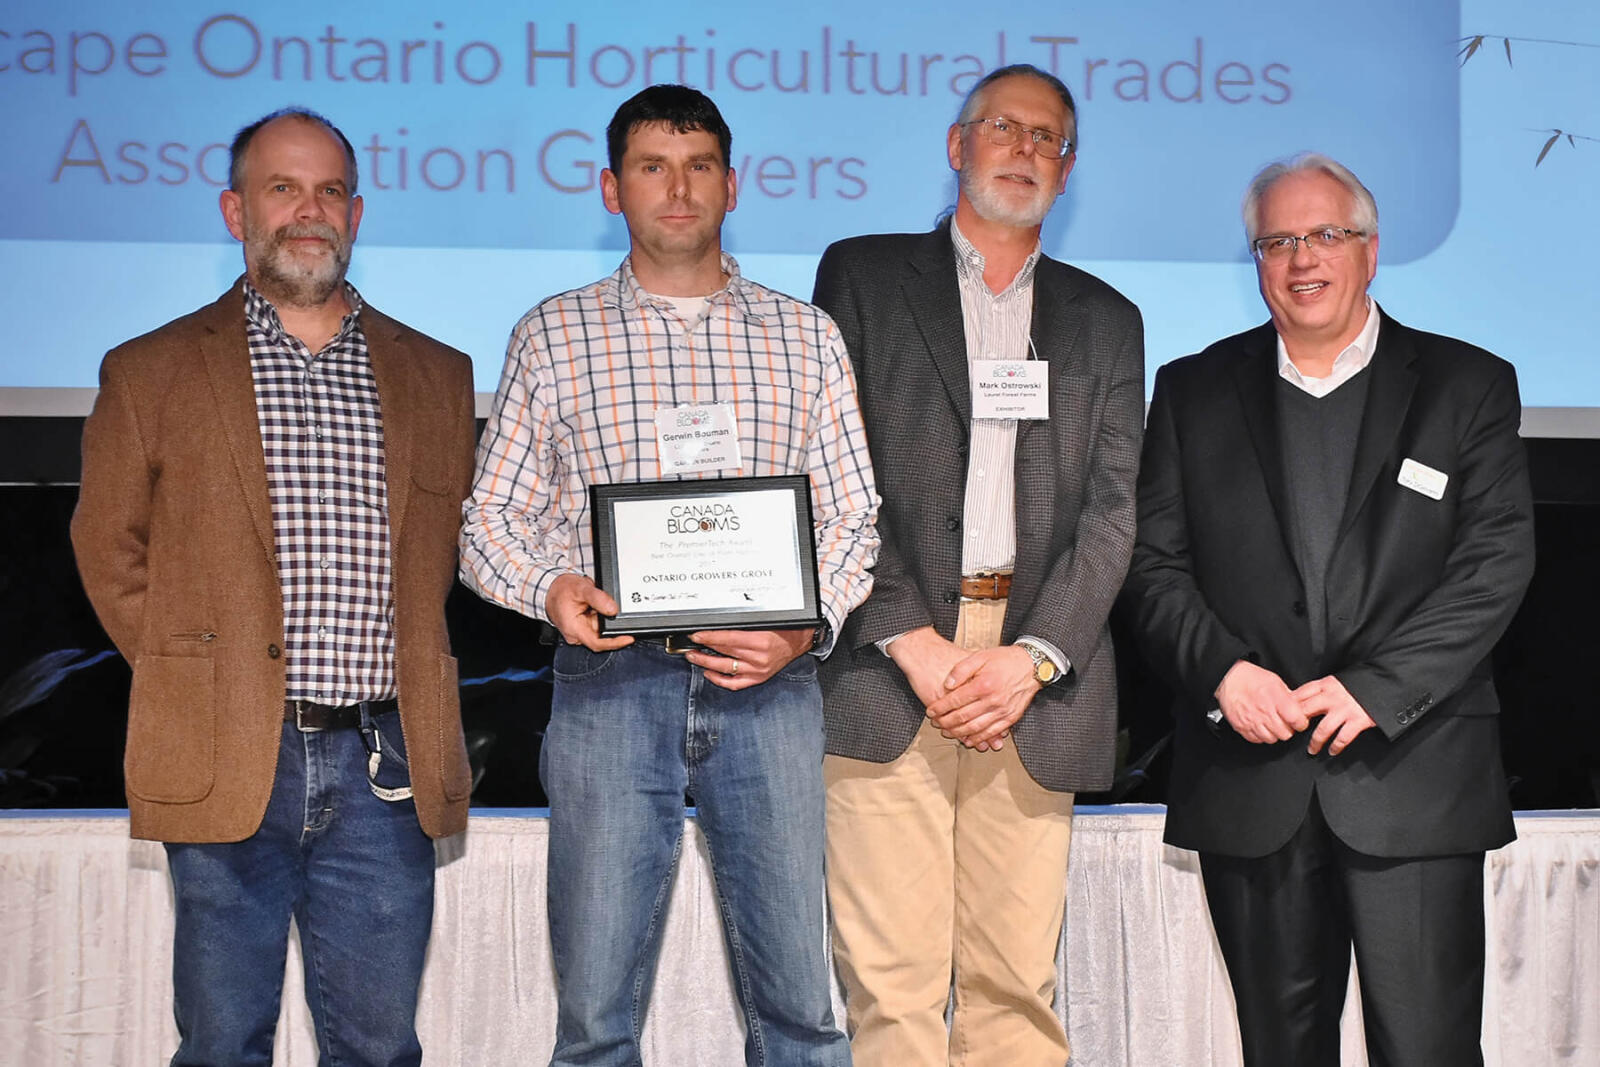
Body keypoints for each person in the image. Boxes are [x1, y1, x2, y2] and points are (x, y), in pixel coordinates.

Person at [458, 84, 877, 1067]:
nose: (676, 188)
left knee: (802, 1013)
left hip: (769, 686)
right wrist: (550, 589)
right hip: (611, 688)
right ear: (612, 187)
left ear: (733, 186)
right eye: (652, 166)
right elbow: (490, 521)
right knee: (597, 1014)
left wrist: (800, 629)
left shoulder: (805, 337)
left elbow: (854, 515)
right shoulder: (551, 334)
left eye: (697, 167)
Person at [70, 108, 477, 1065]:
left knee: (380, 1048)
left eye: (330, 190)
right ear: (235, 209)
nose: (309, 210)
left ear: (357, 212)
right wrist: (197, 681)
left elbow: (454, 551)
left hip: (388, 764)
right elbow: (108, 547)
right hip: (225, 759)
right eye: (283, 188)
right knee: (221, 1043)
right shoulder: (149, 370)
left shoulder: (437, 375)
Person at [1120, 152, 1536, 1066]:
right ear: (1256, 260)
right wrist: (1224, 673)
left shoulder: (1467, 384)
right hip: (1250, 777)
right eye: (1276, 240)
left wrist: (1377, 690)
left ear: (1370, 250)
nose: (1301, 258)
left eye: (1325, 235)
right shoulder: (1192, 390)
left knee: (1427, 1050)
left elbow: (1494, 565)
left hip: (1414, 775)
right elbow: (1152, 565)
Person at [813, 64, 1145, 1066]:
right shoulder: (863, 277)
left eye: (1047, 137)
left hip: (1032, 679)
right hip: (888, 657)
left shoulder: (1104, 318)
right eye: (1003, 128)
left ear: (1069, 167)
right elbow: (833, 471)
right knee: (892, 987)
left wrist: (1032, 654)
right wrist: (909, 637)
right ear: (958, 147)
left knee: (1014, 984)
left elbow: (1112, 512)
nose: (1024, 149)